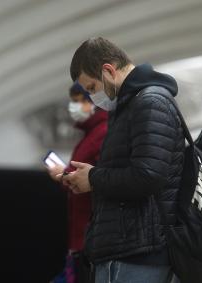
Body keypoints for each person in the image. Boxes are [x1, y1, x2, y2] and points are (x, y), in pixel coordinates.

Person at [59, 37, 185, 283]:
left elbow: (149, 175)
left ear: (108, 70)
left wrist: (93, 178)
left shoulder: (150, 102)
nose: (94, 98)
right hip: (127, 247)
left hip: (140, 253)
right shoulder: (129, 106)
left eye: (92, 88)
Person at [47, 82, 108, 283]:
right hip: (82, 240)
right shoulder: (91, 133)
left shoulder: (102, 132)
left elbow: (97, 178)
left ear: (92, 100)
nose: (73, 107)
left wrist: (63, 174)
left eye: (77, 101)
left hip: (92, 239)